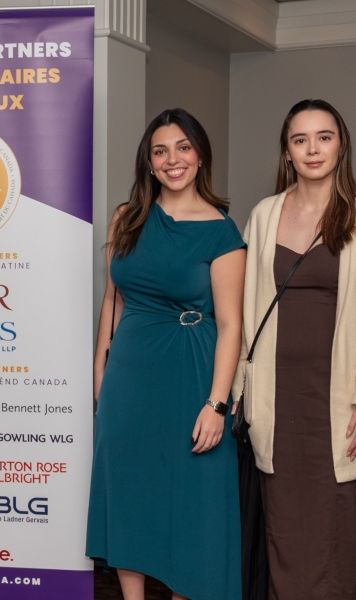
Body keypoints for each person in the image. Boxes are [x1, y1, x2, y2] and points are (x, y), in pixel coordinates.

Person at [86, 109, 245, 600]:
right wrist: (100, 369)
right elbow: (113, 299)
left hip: (191, 373)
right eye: (160, 150)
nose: (172, 159)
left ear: (200, 156)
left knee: (190, 500)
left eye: (183, 147)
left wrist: (217, 403)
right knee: (130, 490)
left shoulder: (221, 229)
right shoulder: (126, 217)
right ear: (149, 163)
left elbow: (231, 322)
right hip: (129, 375)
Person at [234, 99, 356, 599]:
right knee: (283, 533)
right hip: (275, 401)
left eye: (324, 137)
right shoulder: (265, 214)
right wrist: (236, 392)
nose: (313, 149)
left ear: (341, 144)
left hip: (336, 404)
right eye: (300, 139)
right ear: (287, 152)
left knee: (335, 534)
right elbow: (243, 309)